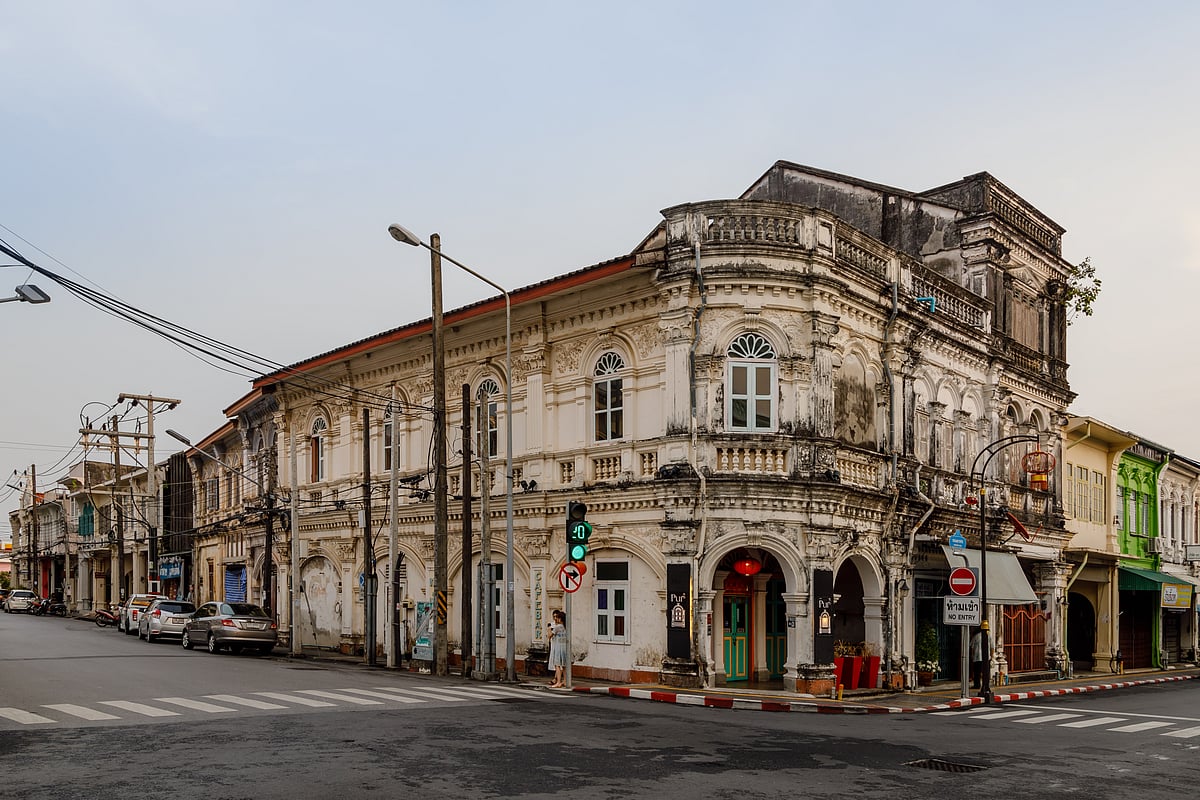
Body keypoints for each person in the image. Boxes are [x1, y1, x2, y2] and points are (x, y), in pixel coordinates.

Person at [548, 609, 568, 688]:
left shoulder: (558, 627)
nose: (556, 619)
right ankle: (565, 681)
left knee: (557, 665)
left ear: (561, 619)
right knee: (564, 666)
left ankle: (558, 682)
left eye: (558, 618)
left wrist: (549, 629)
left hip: (558, 648)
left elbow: (550, 636)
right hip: (564, 647)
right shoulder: (565, 627)